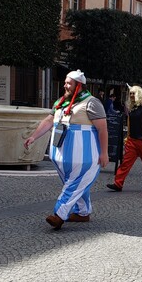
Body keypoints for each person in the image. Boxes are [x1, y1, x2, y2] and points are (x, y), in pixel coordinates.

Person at [24, 69, 109, 230]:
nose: (65, 85)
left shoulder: (92, 103)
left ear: (79, 85)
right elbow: (49, 121)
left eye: (69, 83)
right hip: (61, 156)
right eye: (65, 82)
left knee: (73, 185)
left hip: (85, 157)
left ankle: (59, 215)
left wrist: (104, 153)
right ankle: (82, 213)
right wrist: (34, 137)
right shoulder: (60, 102)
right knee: (76, 185)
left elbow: (103, 129)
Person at [107, 85, 142, 193]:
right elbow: (130, 124)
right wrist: (127, 138)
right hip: (132, 141)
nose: (132, 95)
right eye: (130, 93)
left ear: (139, 94)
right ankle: (118, 183)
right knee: (125, 163)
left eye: (134, 93)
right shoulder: (132, 108)